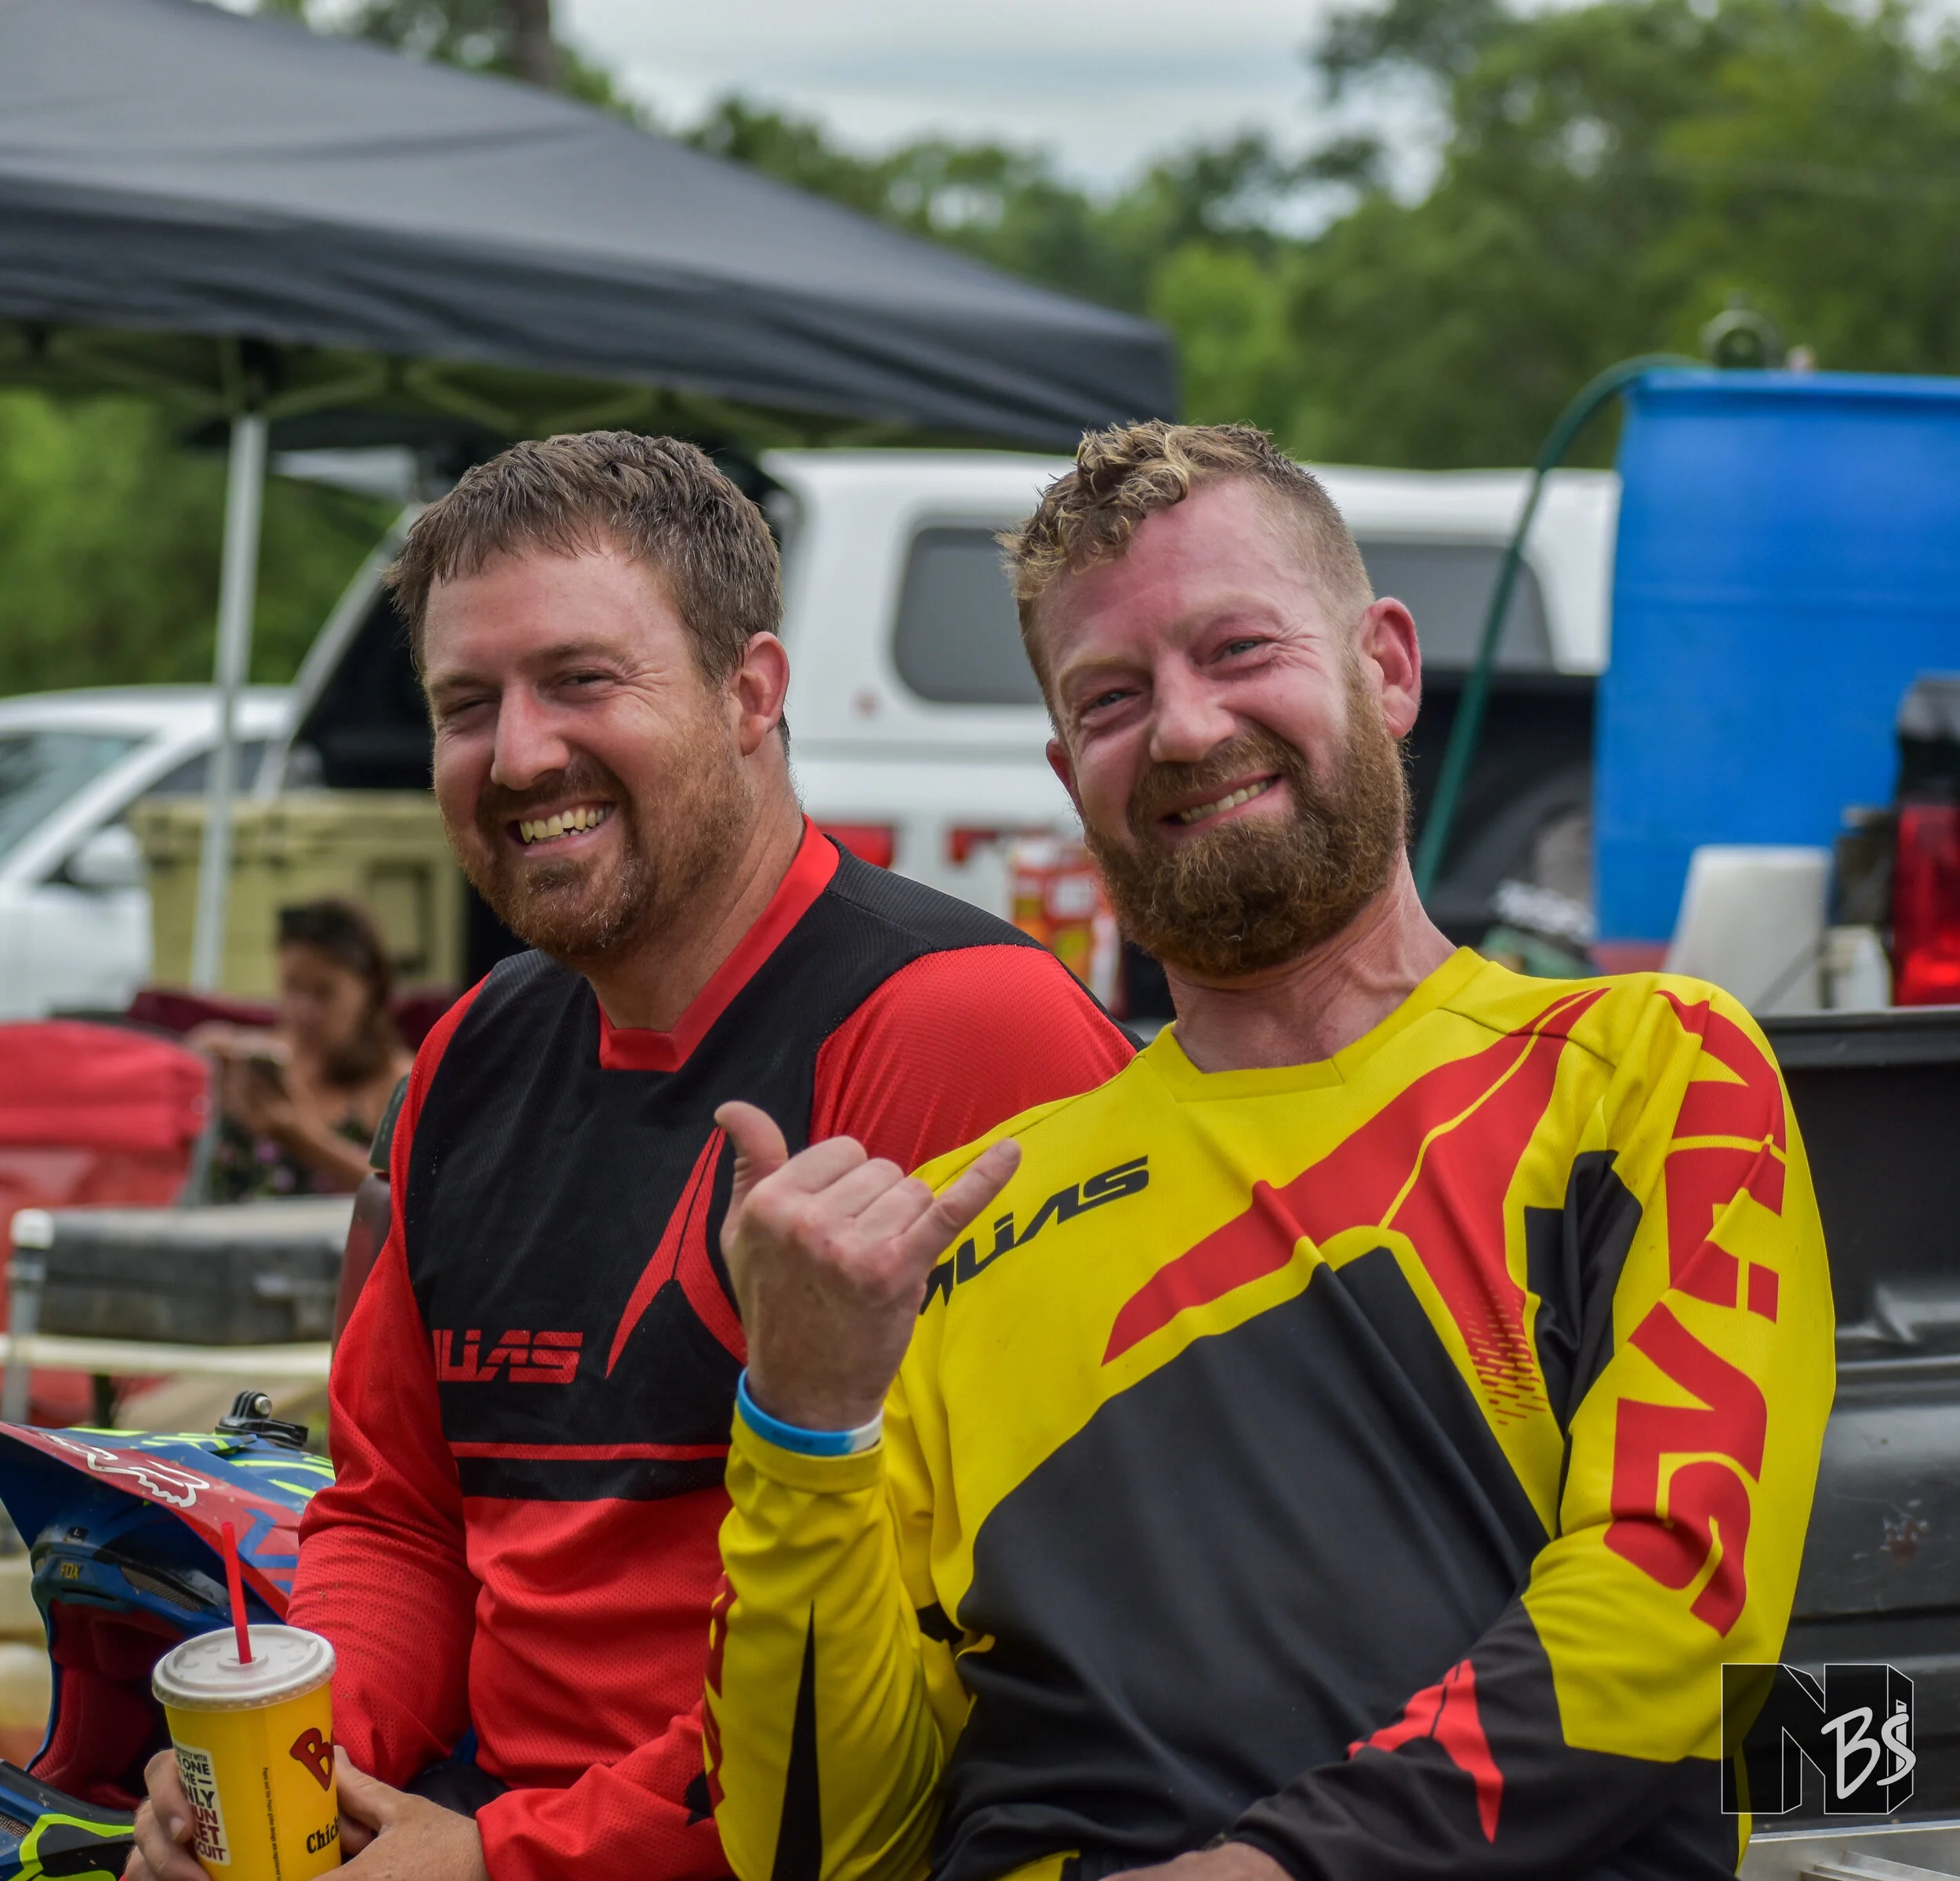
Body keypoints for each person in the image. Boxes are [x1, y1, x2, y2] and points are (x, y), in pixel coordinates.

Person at [703, 423, 1836, 1881]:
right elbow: (819, 1841)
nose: (1183, 729)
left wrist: (1272, 1870)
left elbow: (1676, 1597)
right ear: (1067, 769)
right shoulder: (960, 1224)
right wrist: (804, 1414)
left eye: (1239, 648)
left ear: (1387, 666)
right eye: (1111, 697)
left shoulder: (1645, 1071)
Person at [127, 433, 1131, 1881]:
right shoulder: (470, 1054)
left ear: (752, 691)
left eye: (582, 680)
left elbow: (981, 1650)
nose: (519, 754)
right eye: (466, 705)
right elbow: (398, 1518)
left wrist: (503, 1857)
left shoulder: (961, 1029)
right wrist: (301, 1768)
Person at [194, 898, 413, 1199]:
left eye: (324, 993)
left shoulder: (399, 1081)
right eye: (291, 987)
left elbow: (406, 1197)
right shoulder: (262, 1062)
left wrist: (302, 1140)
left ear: (370, 989)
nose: (303, 1011)